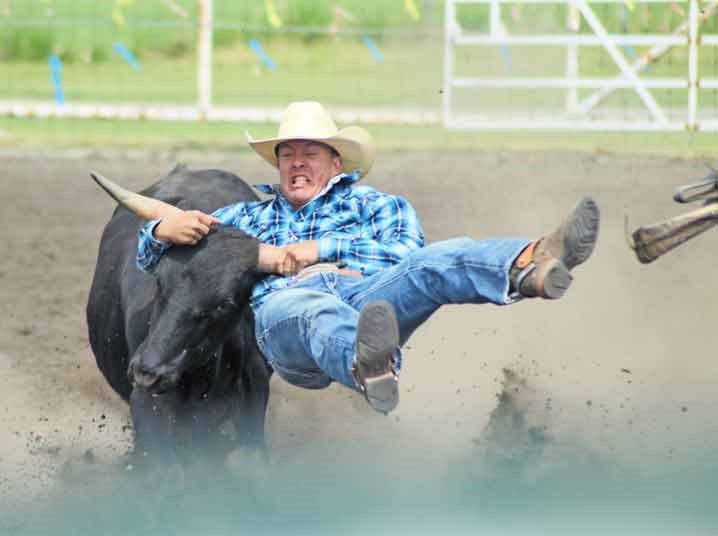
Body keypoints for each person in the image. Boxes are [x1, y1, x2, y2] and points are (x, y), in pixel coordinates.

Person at [136, 101, 600, 414]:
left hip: (366, 294)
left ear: (336, 163)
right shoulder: (244, 219)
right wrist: (161, 229)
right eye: (288, 154)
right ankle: (367, 365)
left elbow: (404, 253)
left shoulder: (377, 205)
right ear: (276, 165)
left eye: (309, 153)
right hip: (286, 316)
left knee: (435, 261)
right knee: (310, 309)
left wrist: (320, 250)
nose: (297, 162)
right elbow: (164, 264)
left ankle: (532, 263)